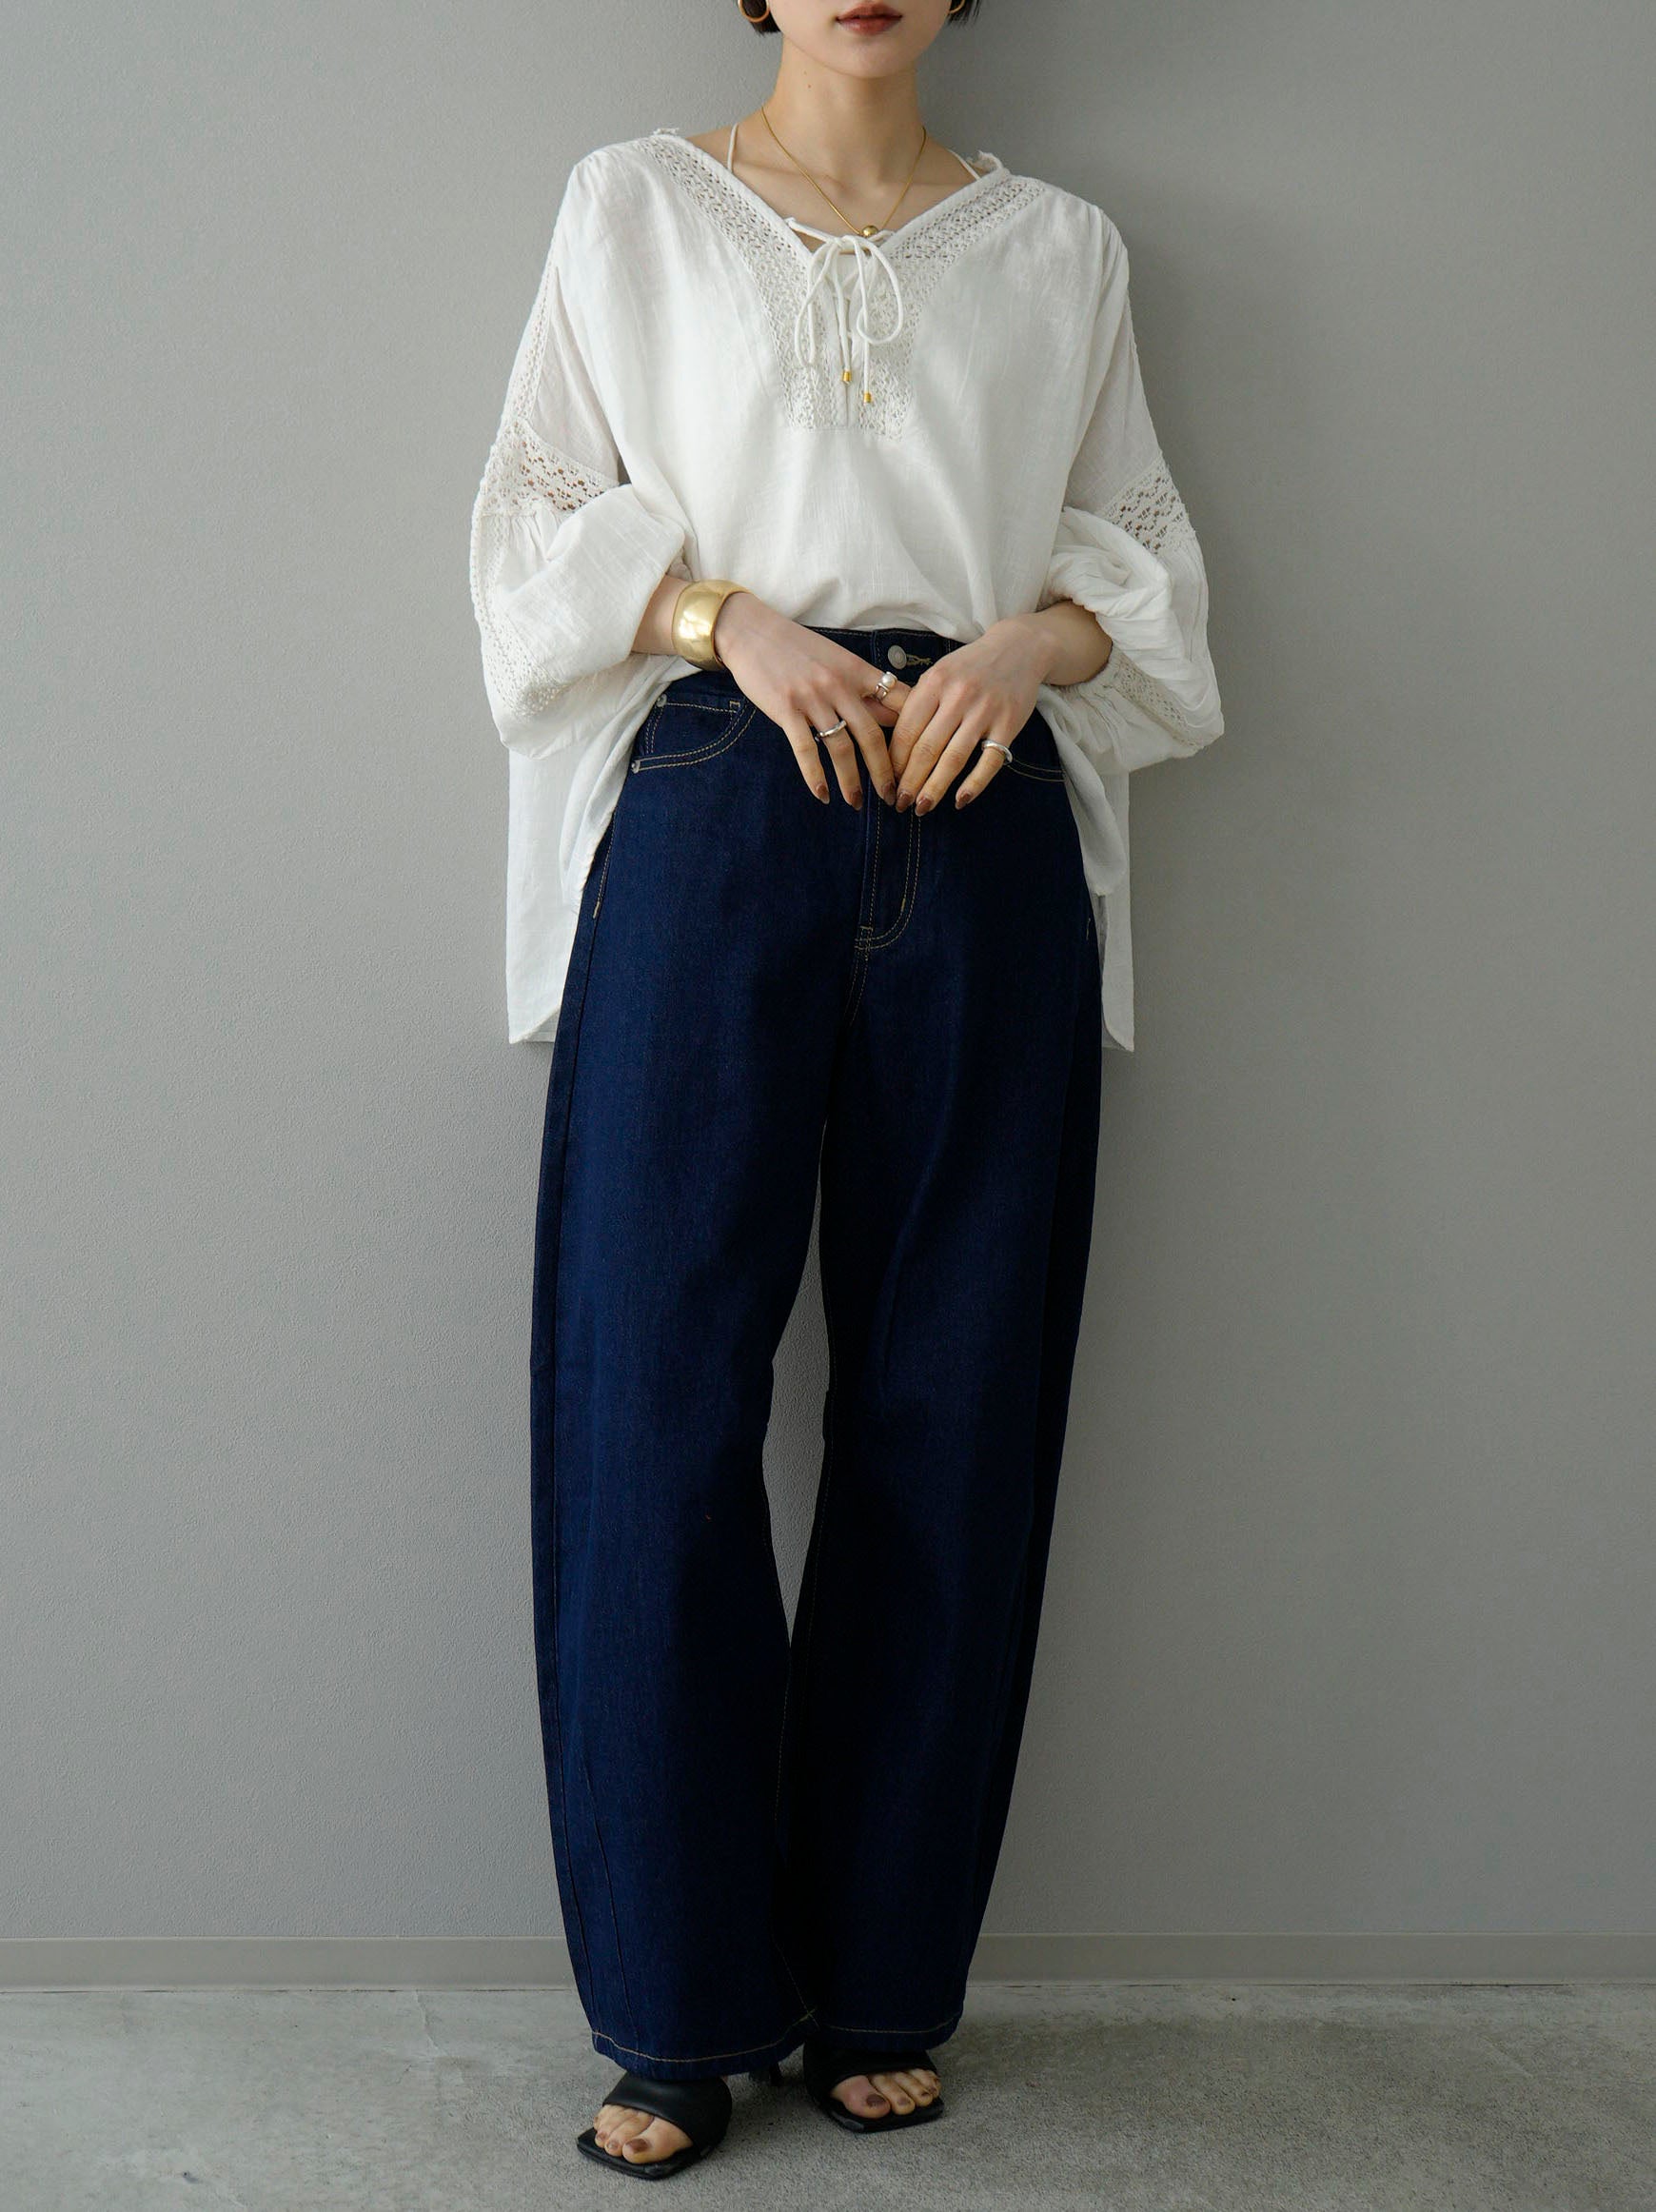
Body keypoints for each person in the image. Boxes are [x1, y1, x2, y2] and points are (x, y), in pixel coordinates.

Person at [467, 0, 1223, 2179]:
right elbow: (528, 527)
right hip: (716, 801)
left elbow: (1141, 553)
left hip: (983, 819)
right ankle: (677, 2008)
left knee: (950, 1414)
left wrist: (1024, 646)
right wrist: (724, 619)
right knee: (652, 1407)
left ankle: (883, 1979)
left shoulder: (1061, 248)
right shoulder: (635, 208)